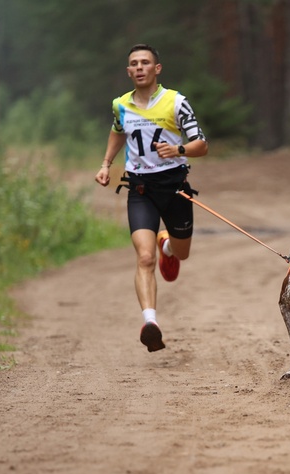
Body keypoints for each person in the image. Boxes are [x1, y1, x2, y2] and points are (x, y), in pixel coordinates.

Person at [95, 44, 208, 352]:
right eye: (134, 64)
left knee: (181, 253)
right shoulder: (120, 105)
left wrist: (179, 150)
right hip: (140, 190)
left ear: (157, 69)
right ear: (129, 71)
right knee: (144, 258)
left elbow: (201, 144)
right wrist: (106, 164)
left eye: (146, 62)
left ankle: (168, 246)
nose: (140, 67)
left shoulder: (176, 102)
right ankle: (150, 323)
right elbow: (118, 131)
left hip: (175, 188)